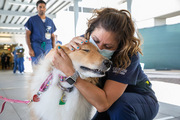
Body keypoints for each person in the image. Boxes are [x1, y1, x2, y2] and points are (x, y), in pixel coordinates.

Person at [48, 8, 159, 120]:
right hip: (110, 104)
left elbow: (103, 104)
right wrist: (67, 49)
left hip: (138, 101)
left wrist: (71, 74)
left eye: (108, 46)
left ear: (120, 45)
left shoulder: (128, 55)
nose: (99, 48)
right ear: (90, 33)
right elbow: (52, 58)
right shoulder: (83, 42)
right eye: (96, 41)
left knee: (120, 105)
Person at [24, 0, 56, 65]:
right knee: (37, 65)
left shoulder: (50, 21)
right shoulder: (32, 20)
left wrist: (54, 48)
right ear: (37, 8)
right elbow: (27, 35)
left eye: (43, 7)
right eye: (40, 7)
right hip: (36, 45)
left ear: (45, 8)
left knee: (49, 65)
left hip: (48, 45)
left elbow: (52, 36)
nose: (42, 9)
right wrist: (30, 49)